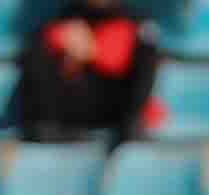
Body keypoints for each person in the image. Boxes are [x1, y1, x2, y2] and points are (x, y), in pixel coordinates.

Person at [13, 0, 157, 145]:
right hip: (69, 113)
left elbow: (139, 73)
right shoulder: (63, 19)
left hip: (116, 111)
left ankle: (131, 128)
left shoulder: (137, 23)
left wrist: (96, 53)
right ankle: (45, 126)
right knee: (40, 52)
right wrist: (61, 44)